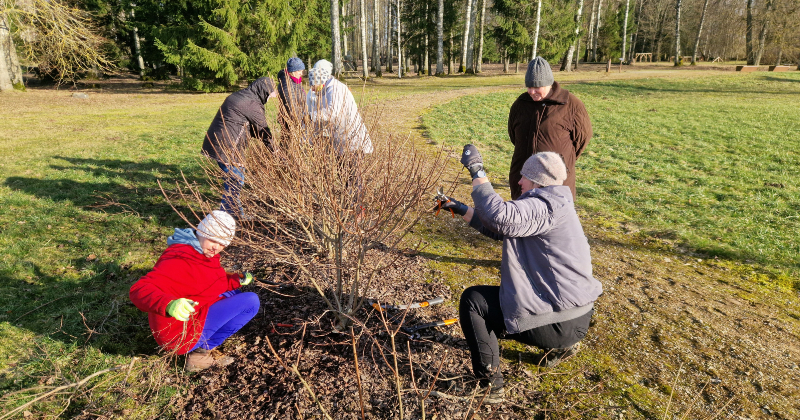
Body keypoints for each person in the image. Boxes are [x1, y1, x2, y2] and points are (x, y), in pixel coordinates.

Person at [435, 145, 603, 403]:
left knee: (474, 302)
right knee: (502, 297)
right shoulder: (557, 205)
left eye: (524, 176)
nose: (519, 180)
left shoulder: (543, 206)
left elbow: (500, 216)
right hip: (577, 315)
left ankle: (491, 388)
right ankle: (562, 347)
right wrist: (460, 209)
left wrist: (477, 170)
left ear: (537, 181)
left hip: (559, 323)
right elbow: (499, 228)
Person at [130, 210, 260, 372]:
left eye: (222, 244)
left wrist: (237, 280)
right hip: (178, 333)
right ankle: (200, 353)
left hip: (194, 312)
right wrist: (169, 305)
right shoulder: (179, 257)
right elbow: (139, 289)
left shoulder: (203, 253)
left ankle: (202, 345)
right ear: (202, 231)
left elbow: (213, 282)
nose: (216, 247)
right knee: (251, 302)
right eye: (213, 239)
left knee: (235, 295)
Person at [507, 57, 592, 200]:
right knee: (521, 218)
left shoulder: (571, 105)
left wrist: (563, 161)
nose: (531, 91)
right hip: (523, 178)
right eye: (529, 87)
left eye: (537, 87)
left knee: (553, 218)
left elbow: (583, 138)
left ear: (549, 84)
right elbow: (513, 135)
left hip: (555, 181)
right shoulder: (520, 104)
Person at [202, 77, 278, 216]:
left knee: (233, 184)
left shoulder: (241, 96)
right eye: (269, 95)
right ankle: (227, 220)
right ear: (264, 91)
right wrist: (277, 153)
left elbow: (250, 127)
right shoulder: (251, 104)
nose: (268, 99)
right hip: (228, 147)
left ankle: (235, 216)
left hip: (218, 142)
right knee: (234, 184)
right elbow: (263, 132)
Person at [306, 59, 372, 154]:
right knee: (340, 166)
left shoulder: (335, 89)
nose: (312, 89)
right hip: (341, 139)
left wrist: (311, 117)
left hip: (351, 140)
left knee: (349, 167)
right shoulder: (324, 90)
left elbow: (332, 113)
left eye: (313, 85)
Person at [276, 57, 307, 143]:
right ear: (293, 71)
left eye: (302, 70)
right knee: (289, 144)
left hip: (298, 118)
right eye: (299, 71)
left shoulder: (296, 81)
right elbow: (291, 104)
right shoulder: (286, 84)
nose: (301, 73)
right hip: (292, 119)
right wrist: (299, 120)